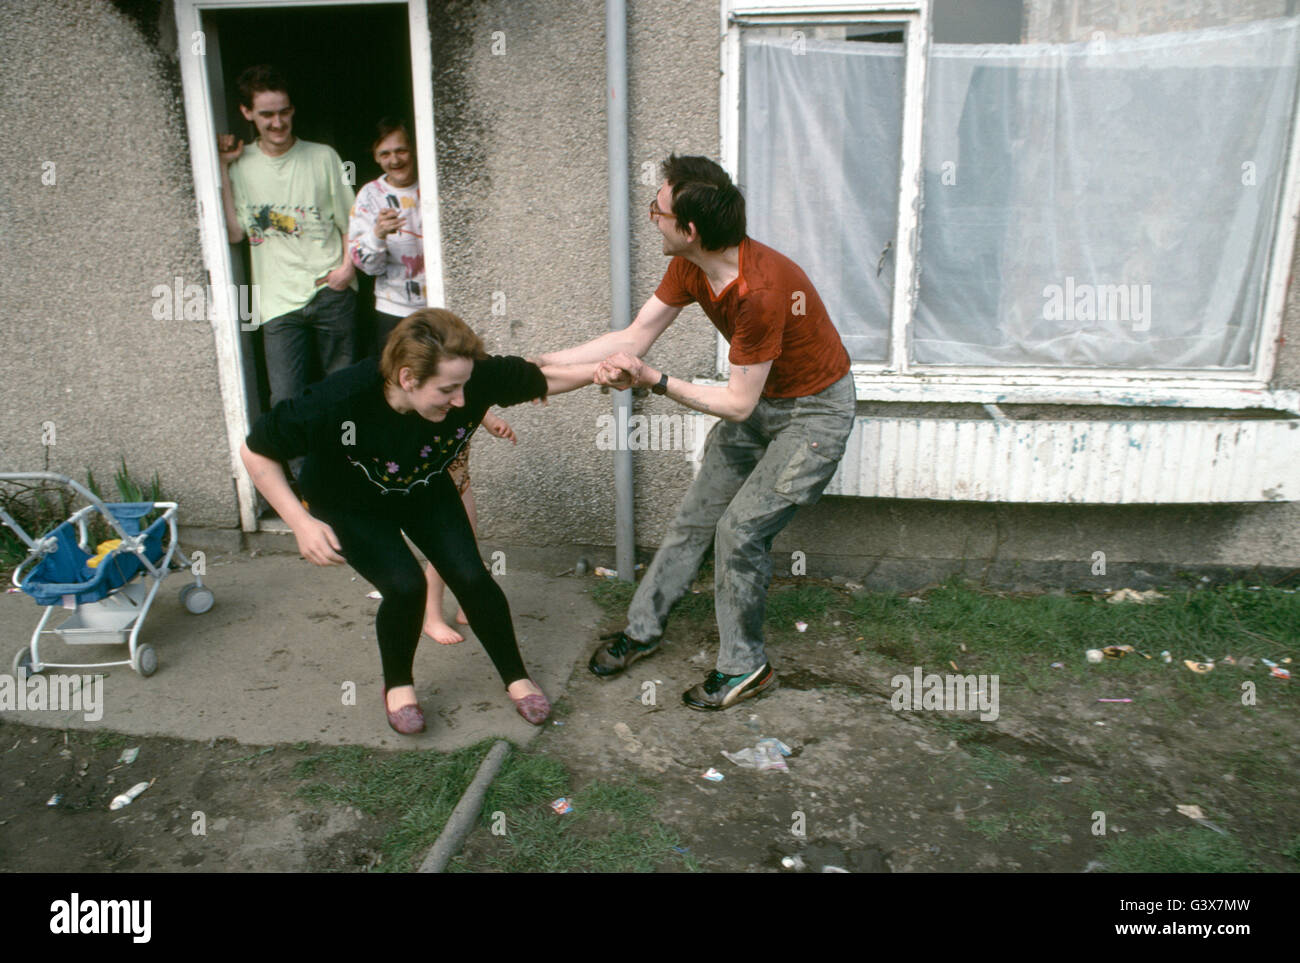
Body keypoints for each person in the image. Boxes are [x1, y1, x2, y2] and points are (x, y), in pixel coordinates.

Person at [536, 155, 855, 712]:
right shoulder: (690, 264)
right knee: (694, 519)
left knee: (739, 534)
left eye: (657, 212)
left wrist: (653, 381)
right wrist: (536, 365)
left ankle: (745, 666)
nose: (650, 219)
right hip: (761, 405)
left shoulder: (760, 291)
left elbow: (734, 403)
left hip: (812, 416)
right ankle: (642, 629)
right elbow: (634, 336)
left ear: (691, 229)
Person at [240, 308, 596, 734]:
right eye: (447, 389)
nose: (462, 400)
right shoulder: (343, 398)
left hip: (422, 487)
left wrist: (603, 372)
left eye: (464, 385)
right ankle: (399, 686)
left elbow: (545, 380)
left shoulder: (469, 377)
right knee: (405, 586)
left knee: (471, 576)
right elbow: (256, 451)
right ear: (408, 378)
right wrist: (300, 522)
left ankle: (517, 676)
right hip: (349, 501)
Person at [347, 117, 514, 645]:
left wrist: (484, 412)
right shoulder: (372, 198)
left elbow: (457, 388)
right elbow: (361, 261)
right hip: (397, 313)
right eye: (386, 153)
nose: (395, 160)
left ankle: (454, 600)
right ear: (376, 157)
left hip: (431, 333)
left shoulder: (452, 367)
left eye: (402, 151)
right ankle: (429, 609)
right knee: (450, 525)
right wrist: (377, 236)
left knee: (463, 523)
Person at [219, 64, 358, 435]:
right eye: (266, 114)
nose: (277, 122)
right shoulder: (240, 165)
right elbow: (234, 233)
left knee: (342, 391)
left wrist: (347, 270)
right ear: (247, 113)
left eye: (284, 111)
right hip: (276, 300)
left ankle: (347, 475)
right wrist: (220, 166)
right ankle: (300, 485)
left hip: (330, 289)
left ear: (293, 110)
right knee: (285, 398)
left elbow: (352, 221)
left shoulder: (323, 156)